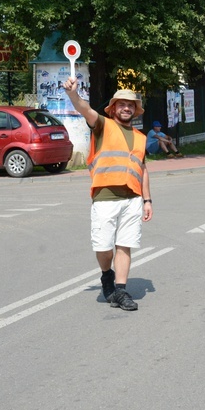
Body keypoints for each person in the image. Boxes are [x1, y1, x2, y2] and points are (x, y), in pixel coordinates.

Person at [63, 79, 152, 311]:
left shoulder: (141, 137)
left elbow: (142, 169)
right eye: (122, 104)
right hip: (105, 197)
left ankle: (121, 291)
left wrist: (147, 200)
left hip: (132, 198)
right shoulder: (102, 125)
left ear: (135, 110)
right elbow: (85, 109)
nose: (126, 108)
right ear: (113, 108)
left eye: (131, 105)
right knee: (103, 247)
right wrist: (74, 95)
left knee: (125, 245)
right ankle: (106, 274)